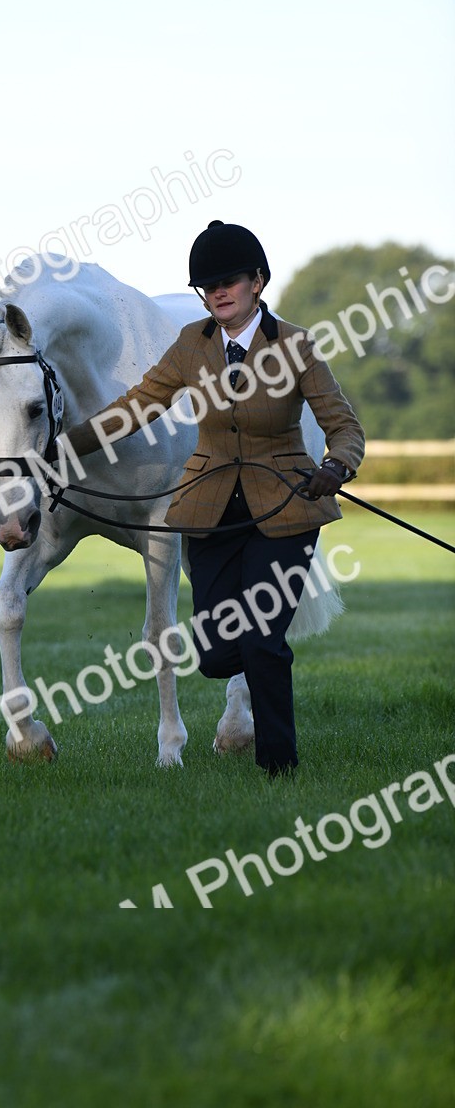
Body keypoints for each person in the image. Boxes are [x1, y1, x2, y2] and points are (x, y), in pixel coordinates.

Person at [62, 221, 365, 776]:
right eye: (208, 284)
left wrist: (336, 465)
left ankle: (280, 766)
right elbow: (138, 405)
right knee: (218, 653)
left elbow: (344, 426)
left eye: (229, 280)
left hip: (287, 505)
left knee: (263, 638)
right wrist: (61, 445)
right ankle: (242, 689)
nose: (218, 291)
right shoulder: (190, 346)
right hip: (209, 508)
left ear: (258, 281)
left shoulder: (296, 346)